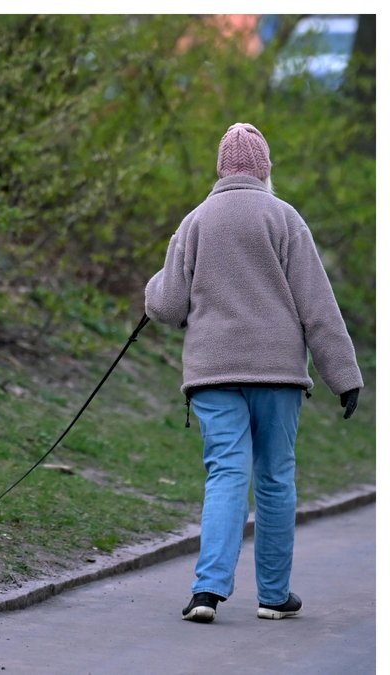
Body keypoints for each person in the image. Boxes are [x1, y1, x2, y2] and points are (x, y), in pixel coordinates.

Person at [144, 122, 362, 624]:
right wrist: (343, 376)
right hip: (277, 372)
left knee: (225, 473)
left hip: (213, 372)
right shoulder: (285, 218)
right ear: (265, 169)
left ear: (220, 168)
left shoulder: (195, 221)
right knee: (275, 477)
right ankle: (273, 594)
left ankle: (206, 591)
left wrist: (156, 282)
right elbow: (318, 307)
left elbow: (168, 304)